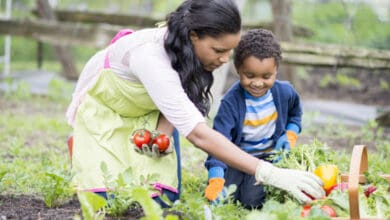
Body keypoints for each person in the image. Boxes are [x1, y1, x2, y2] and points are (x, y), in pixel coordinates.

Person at [66, 0, 324, 208]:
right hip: (109, 107)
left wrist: (160, 138)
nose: (225, 59)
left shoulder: (189, 54)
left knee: (161, 201)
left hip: (148, 108)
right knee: (108, 202)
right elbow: (199, 135)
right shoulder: (150, 58)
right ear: (193, 36)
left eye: (229, 52)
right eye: (218, 50)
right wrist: (269, 173)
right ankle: (83, 146)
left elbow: (177, 101)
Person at [204, 29, 304, 208]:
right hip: (237, 158)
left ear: (276, 71)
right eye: (249, 76)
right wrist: (216, 176)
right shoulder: (231, 102)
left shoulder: (284, 92)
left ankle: (252, 189)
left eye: (266, 76)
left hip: (266, 161)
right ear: (238, 69)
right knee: (224, 195)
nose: (258, 83)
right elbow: (218, 141)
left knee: (251, 200)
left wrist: (290, 134)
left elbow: (296, 114)